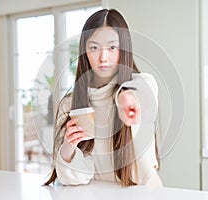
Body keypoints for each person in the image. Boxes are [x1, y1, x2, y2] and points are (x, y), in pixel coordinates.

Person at [44, 8, 163, 187]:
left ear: (124, 49)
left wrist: (126, 98)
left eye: (112, 47)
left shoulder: (140, 86)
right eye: (94, 48)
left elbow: (144, 88)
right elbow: (76, 179)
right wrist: (69, 145)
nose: (103, 57)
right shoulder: (69, 104)